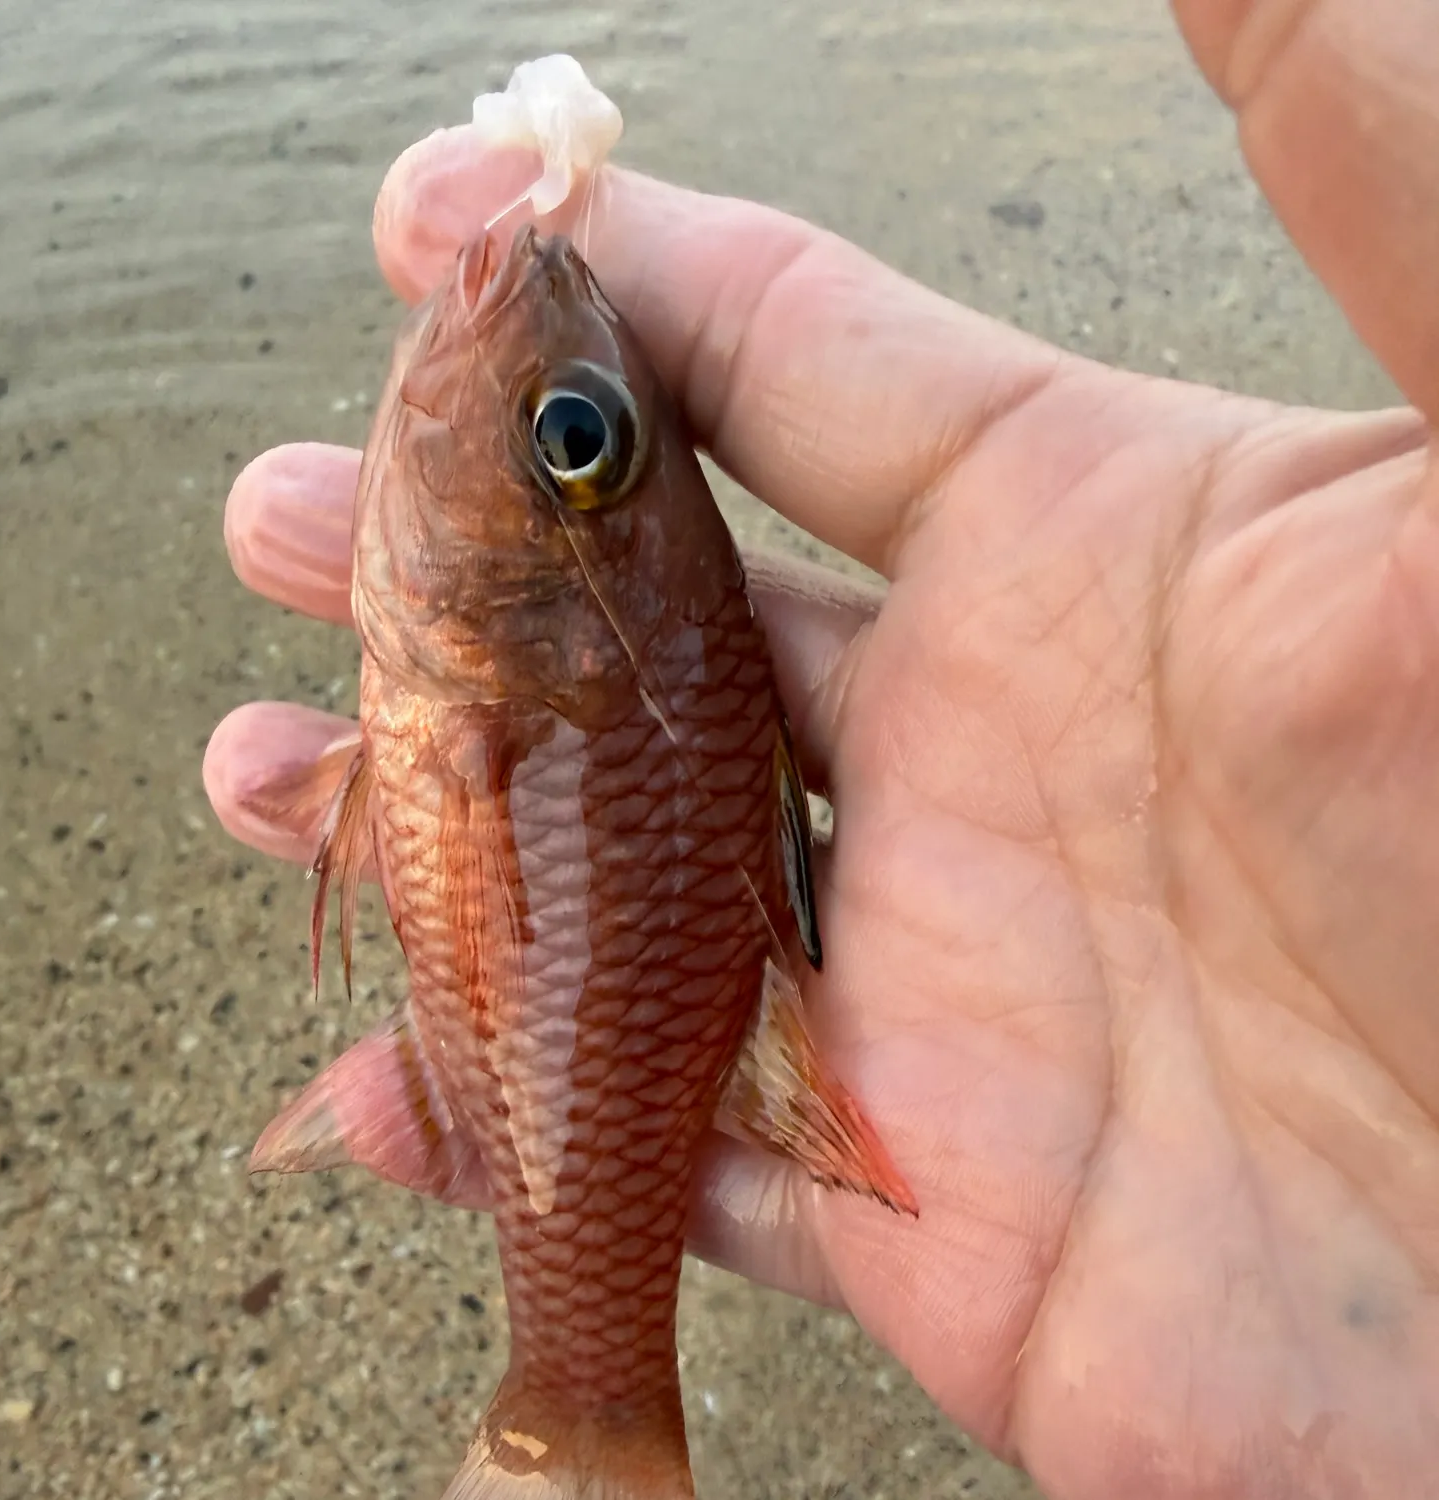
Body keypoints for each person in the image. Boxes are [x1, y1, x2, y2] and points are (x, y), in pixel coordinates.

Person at [201, 2, 1439, 1495]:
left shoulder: (477, 677)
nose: (530, 301)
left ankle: (590, 1408)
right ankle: (588, 1400)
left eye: (571, 437)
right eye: (577, 439)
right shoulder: (494, 675)